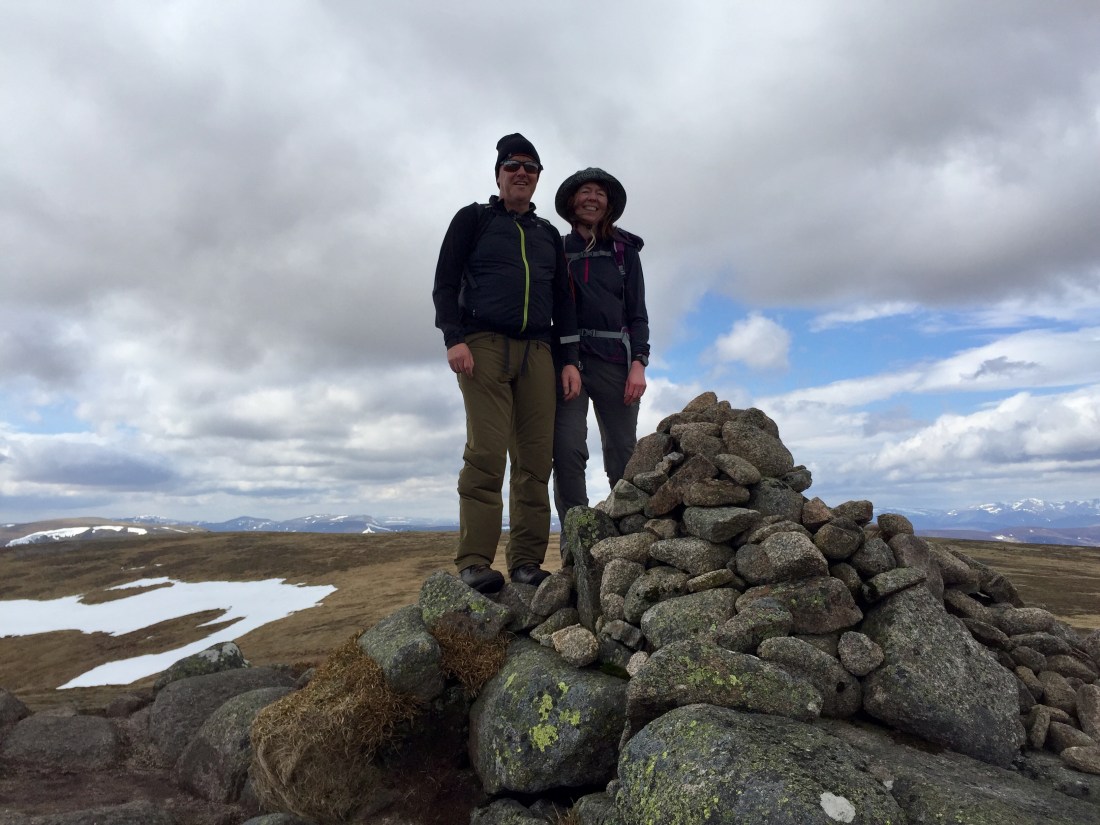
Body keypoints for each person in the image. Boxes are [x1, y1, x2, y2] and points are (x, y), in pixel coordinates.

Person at [432, 133, 581, 594]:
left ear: (537, 178)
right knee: (487, 453)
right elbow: (444, 282)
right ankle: (475, 562)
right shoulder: (473, 219)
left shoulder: (548, 235)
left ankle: (525, 562)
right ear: (498, 174)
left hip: (538, 351)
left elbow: (564, 303)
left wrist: (569, 360)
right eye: (512, 166)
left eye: (530, 168)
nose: (521, 173)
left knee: (535, 460)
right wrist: (454, 338)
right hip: (483, 346)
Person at [552, 168, 650, 531]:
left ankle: (628, 535)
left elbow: (638, 314)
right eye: (584, 192)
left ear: (608, 204)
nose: (592, 198)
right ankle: (577, 537)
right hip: (568, 362)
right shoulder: (558, 249)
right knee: (567, 450)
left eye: (600, 193)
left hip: (616, 363)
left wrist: (639, 363)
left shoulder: (625, 252)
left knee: (622, 452)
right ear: (572, 202)